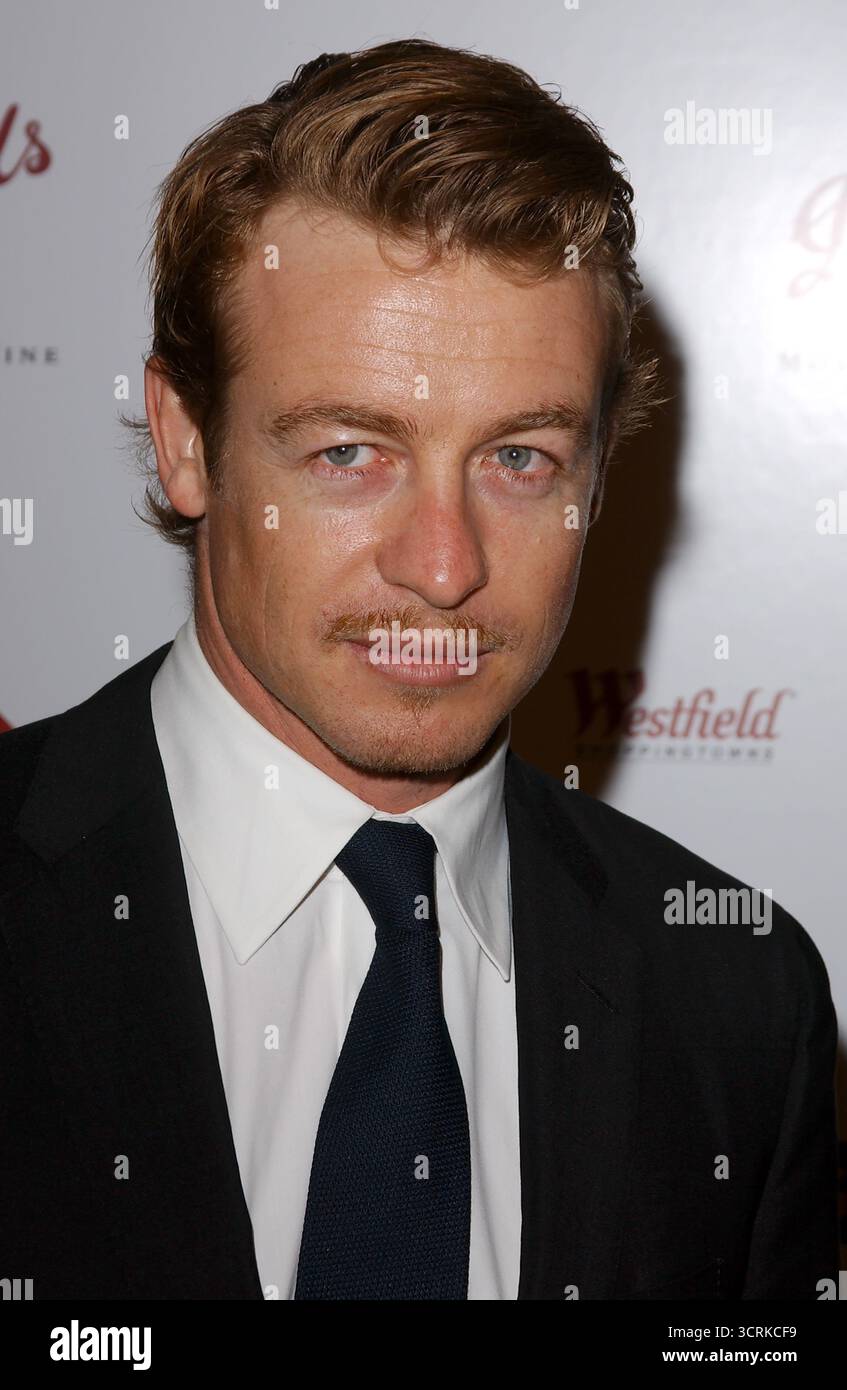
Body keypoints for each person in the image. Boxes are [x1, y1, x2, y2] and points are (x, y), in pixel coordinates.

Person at [0, 39, 838, 1301]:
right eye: (349, 452)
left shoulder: (736, 998)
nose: (444, 568)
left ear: (600, 472)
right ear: (186, 442)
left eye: (519, 460)